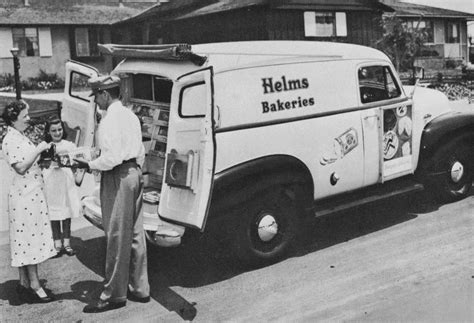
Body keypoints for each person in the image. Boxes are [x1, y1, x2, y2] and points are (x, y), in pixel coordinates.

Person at [75, 75, 150, 313]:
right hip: (134, 173)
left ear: (105, 94)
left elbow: (111, 158)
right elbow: (138, 151)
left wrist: (89, 165)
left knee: (116, 236)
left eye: (96, 95)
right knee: (136, 234)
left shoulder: (109, 120)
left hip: (117, 176)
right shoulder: (130, 114)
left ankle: (113, 295)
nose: (96, 101)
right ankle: (140, 288)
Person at [1, 100, 56, 303]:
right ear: (14, 119)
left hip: (30, 193)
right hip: (24, 196)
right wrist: (39, 149)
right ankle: (35, 285)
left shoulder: (18, 136)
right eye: (24, 115)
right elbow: (21, 167)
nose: (28, 118)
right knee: (29, 240)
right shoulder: (10, 139)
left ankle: (24, 282)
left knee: (25, 239)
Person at [43, 117, 81, 257]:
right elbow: (42, 164)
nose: (57, 132)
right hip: (52, 181)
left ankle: (67, 243)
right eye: (53, 130)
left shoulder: (69, 145)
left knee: (66, 212)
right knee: (54, 213)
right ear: (48, 132)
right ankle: (57, 244)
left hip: (65, 181)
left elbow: (76, 161)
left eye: (59, 129)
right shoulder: (45, 146)